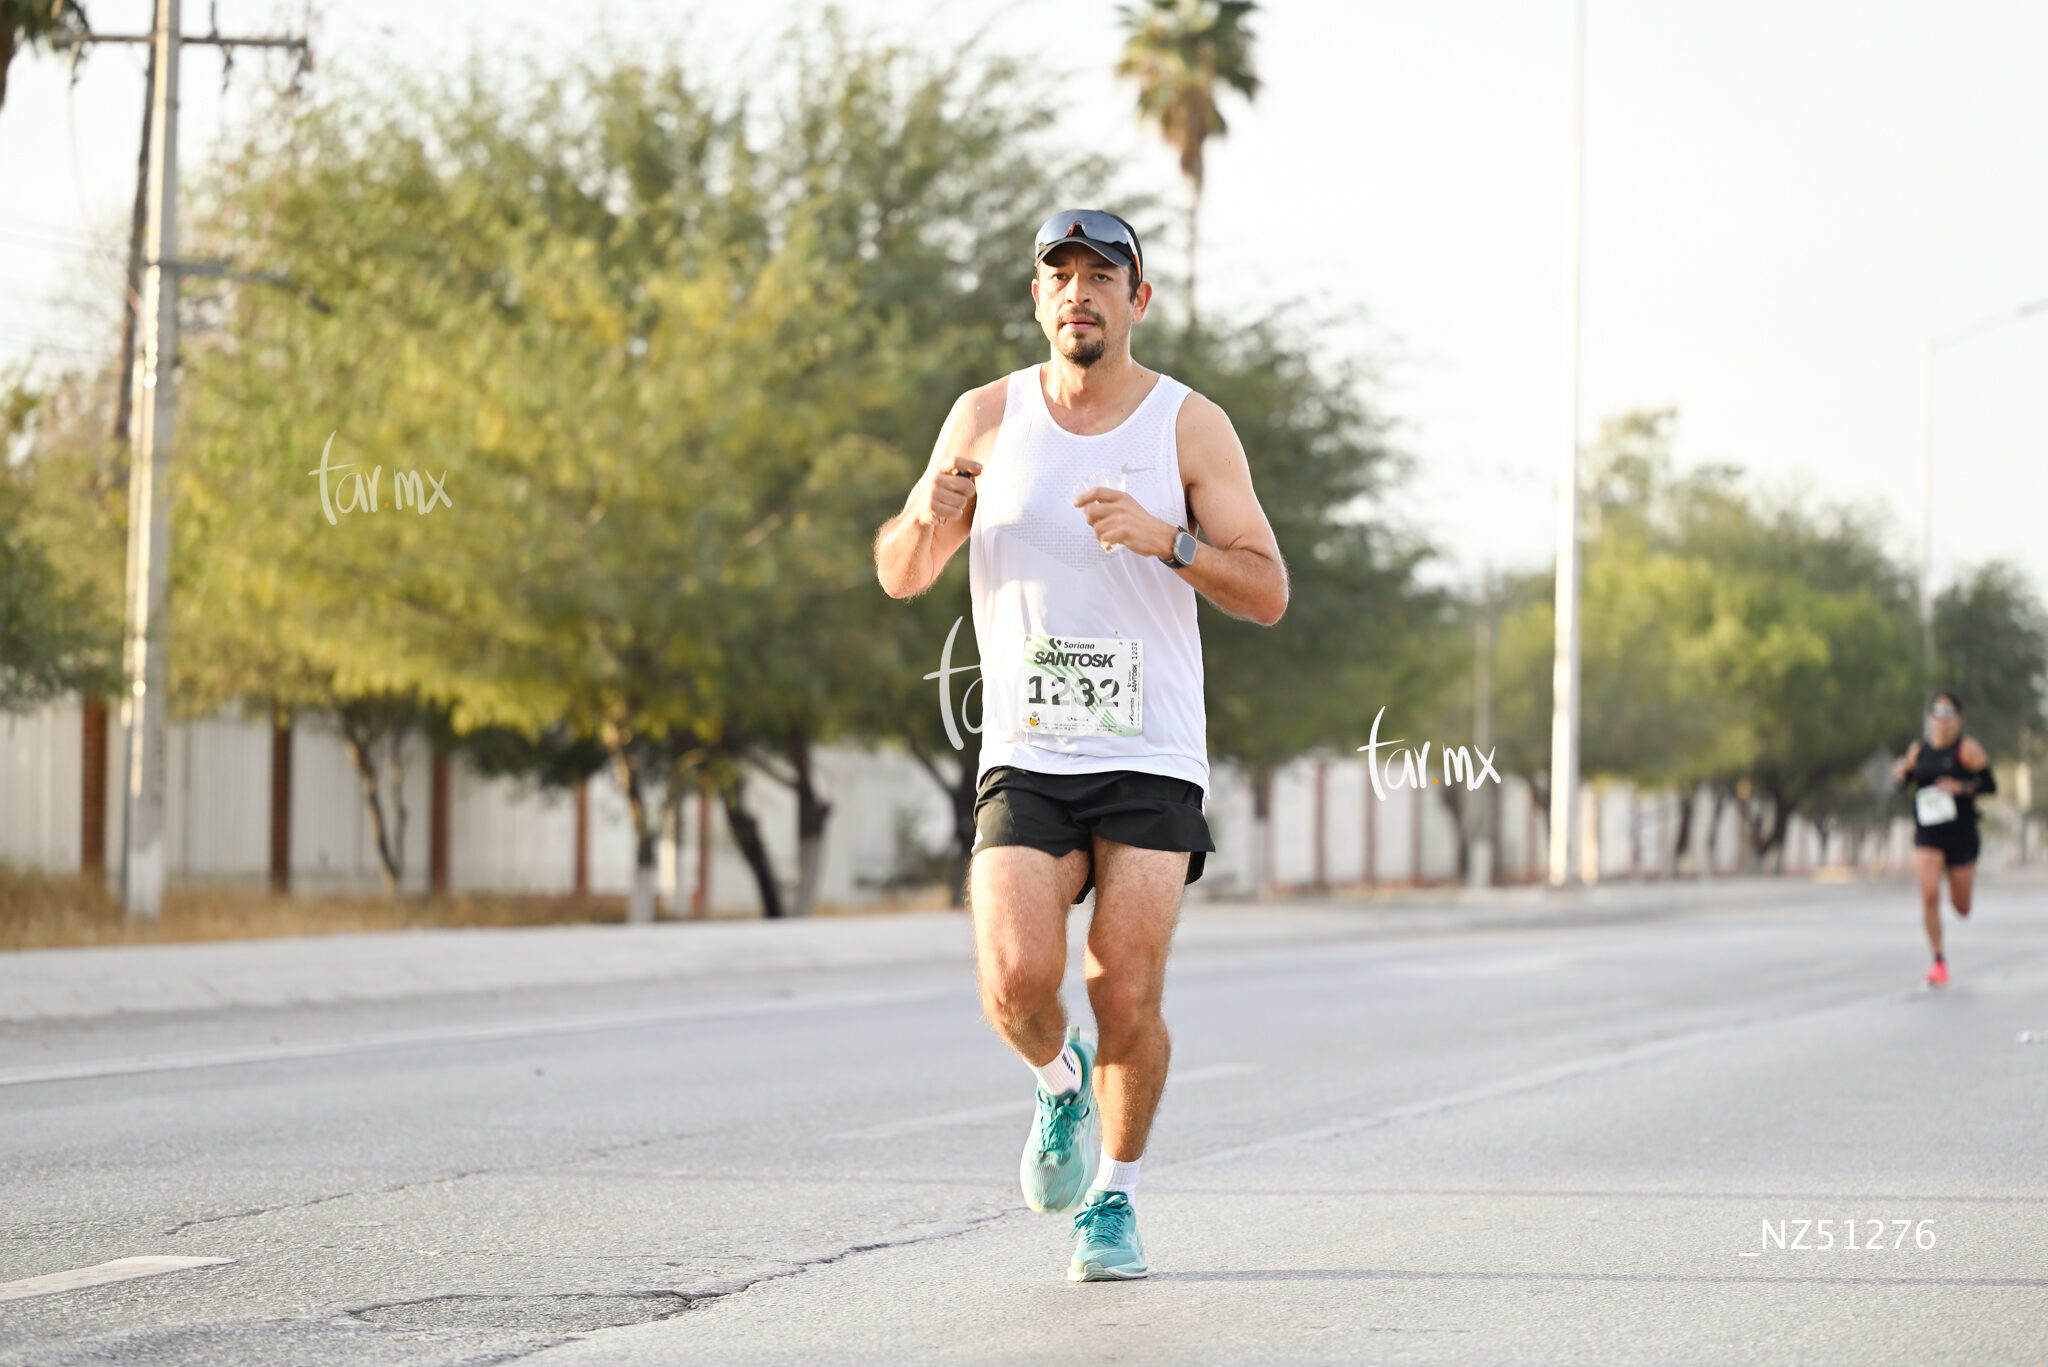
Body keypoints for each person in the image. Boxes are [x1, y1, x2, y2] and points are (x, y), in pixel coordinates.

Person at [874, 209, 1287, 1281]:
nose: (1078, 293)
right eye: (1060, 276)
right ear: (1037, 298)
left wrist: (1170, 539)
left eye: (1101, 276)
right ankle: (1059, 1084)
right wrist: (924, 514)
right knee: (1016, 980)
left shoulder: (1189, 425)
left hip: (1151, 752)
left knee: (1124, 992)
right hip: (1028, 749)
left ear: (1135, 300)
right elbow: (901, 573)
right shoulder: (984, 416)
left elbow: (1266, 589)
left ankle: (1114, 1198)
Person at [1891, 690, 1996, 986]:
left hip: (1961, 834)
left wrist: (1961, 787)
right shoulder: (1918, 751)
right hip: (1929, 833)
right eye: (1938, 712)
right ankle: (1938, 960)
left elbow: (1990, 785)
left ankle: (1957, 880)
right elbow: (1906, 782)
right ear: (1931, 718)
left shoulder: (1968, 749)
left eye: (1949, 713)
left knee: (1961, 908)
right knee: (1929, 895)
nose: (1943, 719)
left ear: (1958, 719)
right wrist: (1900, 776)